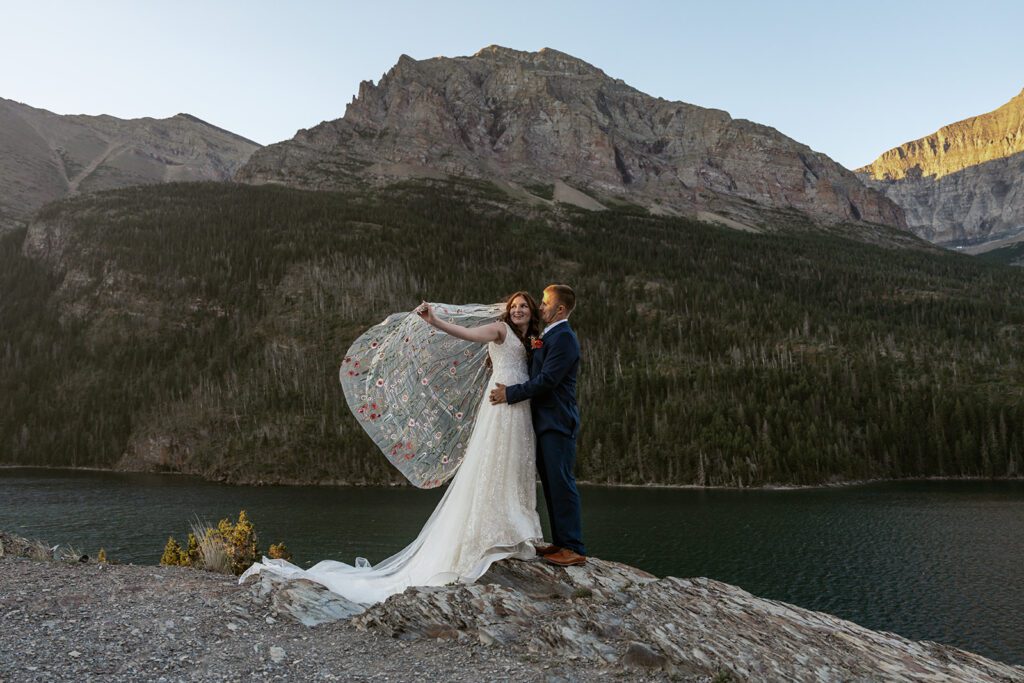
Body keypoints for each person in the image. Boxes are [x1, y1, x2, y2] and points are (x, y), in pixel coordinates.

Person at [240, 292, 544, 607]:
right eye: (514, 306)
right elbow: (466, 334)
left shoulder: (530, 339)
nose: (518, 310)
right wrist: (435, 321)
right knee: (493, 463)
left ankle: (511, 530)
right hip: (500, 403)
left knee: (513, 464)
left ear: (531, 312)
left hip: (519, 404)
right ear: (507, 312)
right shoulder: (499, 330)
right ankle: (489, 537)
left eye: (524, 306)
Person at [490, 284, 586, 567]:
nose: (540, 307)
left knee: (562, 483)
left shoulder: (565, 338)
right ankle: (561, 542)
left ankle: (574, 547)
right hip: (544, 422)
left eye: (545, 303)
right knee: (552, 485)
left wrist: (511, 393)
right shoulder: (549, 335)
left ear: (560, 309)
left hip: (557, 421)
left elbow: (548, 381)